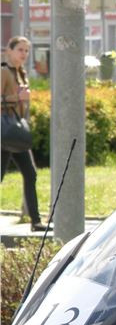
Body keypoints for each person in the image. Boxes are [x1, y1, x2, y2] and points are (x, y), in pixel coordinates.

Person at [1, 36, 45, 232]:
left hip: (15, 131)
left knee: (30, 174)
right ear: (9, 51)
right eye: (20, 49)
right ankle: (35, 221)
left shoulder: (21, 73)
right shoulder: (3, 71)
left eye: (26, 51)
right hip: (4, 131)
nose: (24, 54)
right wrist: (17, 97)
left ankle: (36, 221)